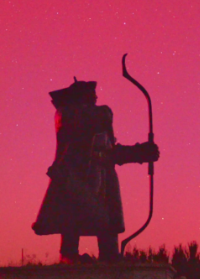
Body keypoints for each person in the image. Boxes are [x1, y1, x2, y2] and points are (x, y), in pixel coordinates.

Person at [31, 78, 159, 262]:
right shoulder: (67, 114)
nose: (95, 98)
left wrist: (140, 153)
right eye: (90, 95)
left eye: (94, 96)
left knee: (108, 220)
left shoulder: (96, 120)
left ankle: (109, 254)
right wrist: (103, 113)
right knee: (73, 213)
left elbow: (111, 153)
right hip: (75, 175)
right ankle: (69, 254)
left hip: (103, 177)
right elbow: (98, 116)